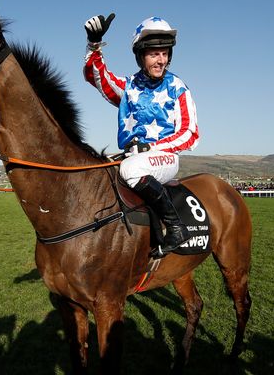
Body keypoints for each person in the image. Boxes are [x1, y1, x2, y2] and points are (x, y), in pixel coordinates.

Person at [83, 14, 200, 256]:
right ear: (140, 56)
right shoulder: (130, 87)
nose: (161, 60)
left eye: (165, 53)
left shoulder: (177, 86)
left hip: (165, 158)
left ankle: (177, 229)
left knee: (130, 170)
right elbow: (99, 79)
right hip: (131, 156)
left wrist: (154, 147)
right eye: (154, 54)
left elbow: (190, 132)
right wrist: (94, 44)